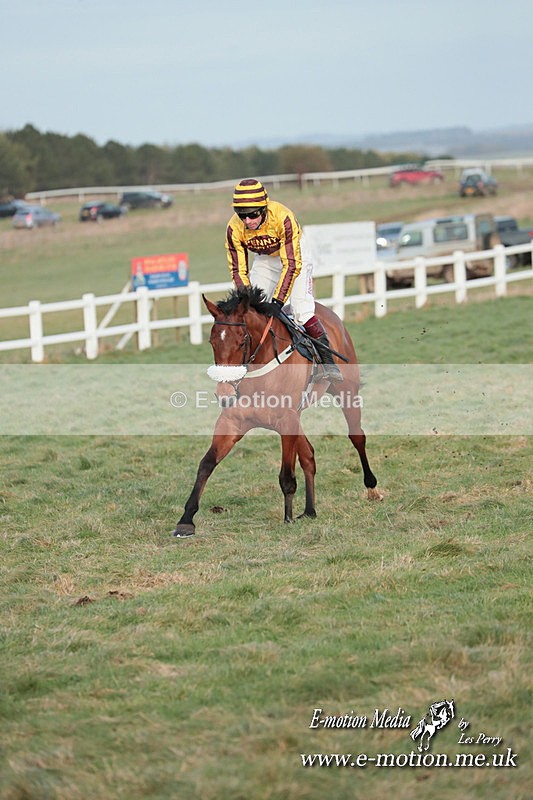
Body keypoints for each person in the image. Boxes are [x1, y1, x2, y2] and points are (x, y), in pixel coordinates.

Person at [225, 178, 342, 382]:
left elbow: (291, 266)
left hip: (295, 257)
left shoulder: (283, 217)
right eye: (242, 216)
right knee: (252, 311)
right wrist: (246, 300)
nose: (248, 221)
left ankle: (328, 363)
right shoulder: (234, 228)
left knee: (301, 312)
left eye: (252, 215)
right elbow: (237, 269)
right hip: (265, 260)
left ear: (264, 209)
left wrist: (278, 302)